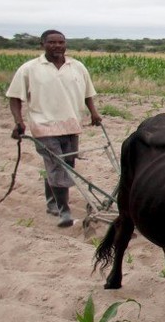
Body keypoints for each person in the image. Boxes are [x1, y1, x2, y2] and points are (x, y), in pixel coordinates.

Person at [6, 29, 102, 227]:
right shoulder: (29, 69)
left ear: (65, 44)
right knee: (58, 166)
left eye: (61, 42)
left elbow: (87, 94)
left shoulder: (77, 67)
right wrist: (19, 121)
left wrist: (94, 113)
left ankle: (52, 202)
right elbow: (15, 97)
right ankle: (63, 211)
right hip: (44, 126)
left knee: (67, 165)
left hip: (72, 124)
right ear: (42, 44)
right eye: (52, 42)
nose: (57, 46)